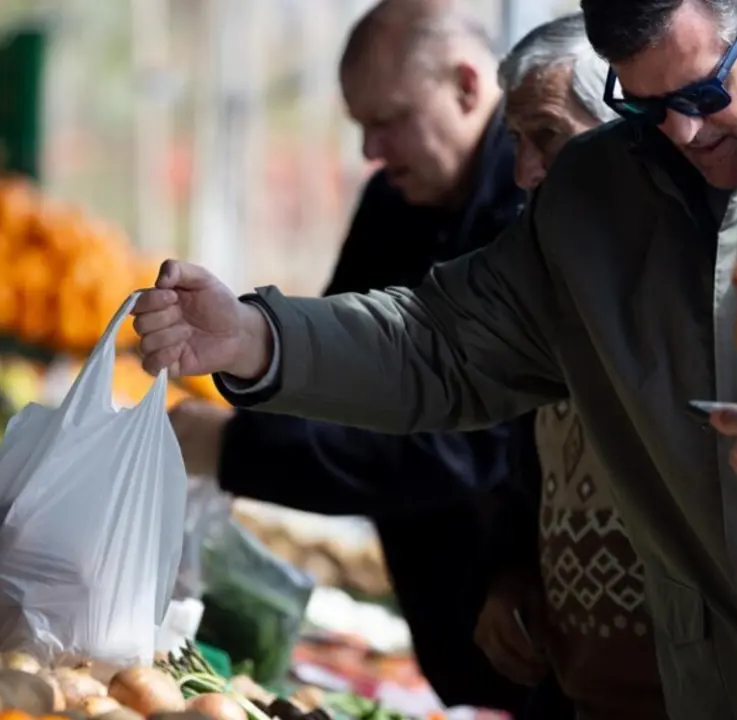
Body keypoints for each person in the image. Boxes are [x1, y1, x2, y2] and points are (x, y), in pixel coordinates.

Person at [130, 0, 737, 716]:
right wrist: (253, 337)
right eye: (640, 107)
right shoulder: (597, 196)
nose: (682, 129)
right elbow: (440, 342)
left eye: (702, 95)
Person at [167, 1, 561, 714]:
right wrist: (253, 347)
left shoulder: (537, 206)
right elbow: (339, 378)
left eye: (389, 120)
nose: (372, 152)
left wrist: (237, 448)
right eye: (360, 128)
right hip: (451, 613)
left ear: (468, 86)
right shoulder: (395, 201)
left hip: (540, 623)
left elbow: (464, 448)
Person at [469, 14, 669, 719]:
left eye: (548, 137)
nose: (525, 172)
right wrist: (514, 573)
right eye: (517, 143)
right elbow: (525, 473)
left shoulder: (698, 280)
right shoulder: (549, 279)